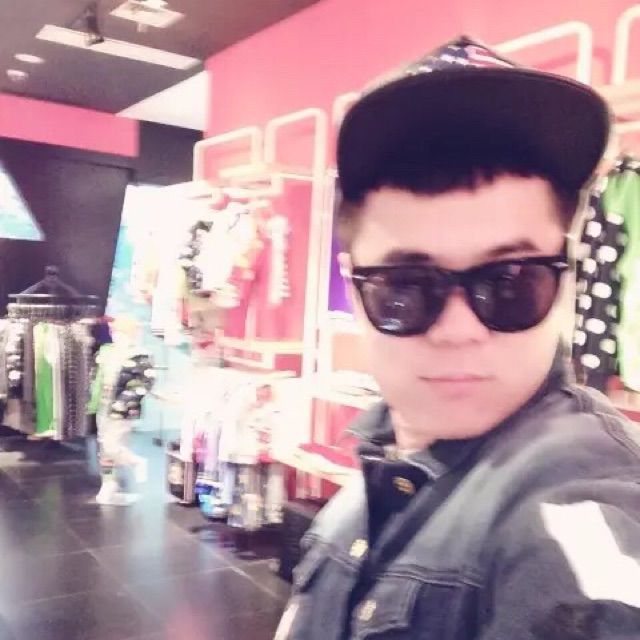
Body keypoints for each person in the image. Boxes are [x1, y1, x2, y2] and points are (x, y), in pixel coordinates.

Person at [276, 37, 640, 639]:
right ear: (355, 290)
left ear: (566, 277)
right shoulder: (375, 473)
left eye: (511, 281)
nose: (459, 331)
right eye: (405, 286)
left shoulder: (582, 506)